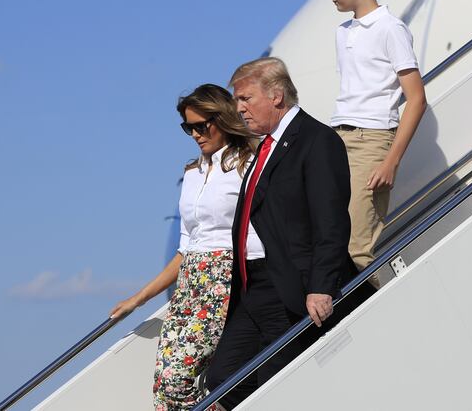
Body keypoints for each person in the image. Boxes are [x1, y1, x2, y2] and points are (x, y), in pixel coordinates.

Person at [205, 57, 373, 409]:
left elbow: (331, 220)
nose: (239, 109)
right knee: (222, 378)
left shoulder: (315, 140)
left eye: (246, 99)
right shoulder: (264, 148)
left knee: (276, 384)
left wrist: (322, 285)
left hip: (293, 285)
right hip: (256, 287)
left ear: (277, 96)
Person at [109, 84, 256, 410]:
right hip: (191, 283)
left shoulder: (247, 164)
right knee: (164, 382)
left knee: (180, 376)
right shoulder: (192, 173)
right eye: (188, 127)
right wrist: (139, 298)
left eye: (201, 126)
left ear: (223, 118)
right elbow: (186, 248)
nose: (195, 134)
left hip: (225, 278)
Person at [323, 0, 427, 287]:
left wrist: (391, 161)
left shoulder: (391, 29)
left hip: (373, 140)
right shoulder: (342, 31)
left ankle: (382, 313)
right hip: (339, 137)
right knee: (330, 235)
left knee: (358, 246)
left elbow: (416, 99)